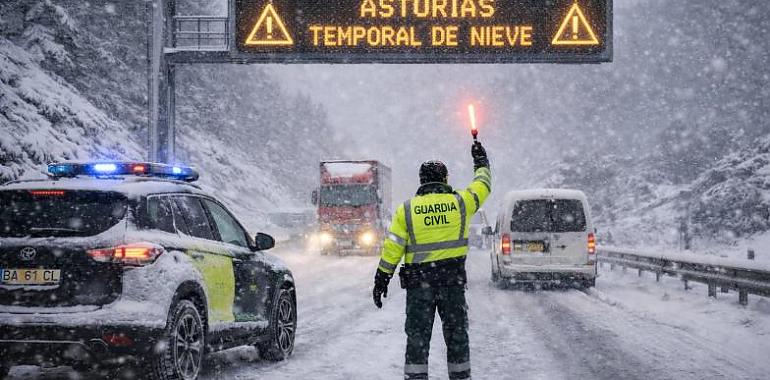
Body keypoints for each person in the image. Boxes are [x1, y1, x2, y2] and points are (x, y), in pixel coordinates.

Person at [373, 141, 491, 380]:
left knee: (417, 338)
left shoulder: (407, 210)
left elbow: (393, 248)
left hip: (419, 287)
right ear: (445, 179)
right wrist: (481, 162)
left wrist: (381, 279)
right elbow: (483, 185)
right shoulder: (461, 203)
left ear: (421, 181)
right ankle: (460, 377)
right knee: (457, 336)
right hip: (452, 284)